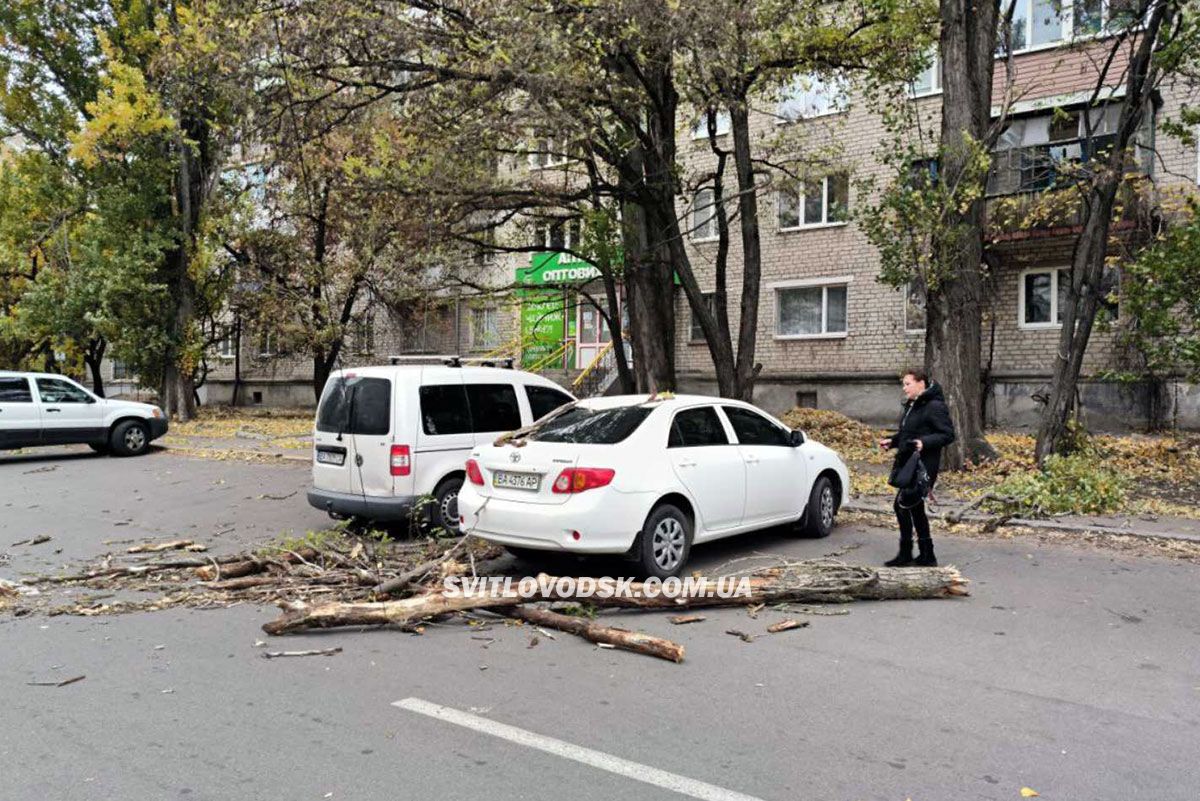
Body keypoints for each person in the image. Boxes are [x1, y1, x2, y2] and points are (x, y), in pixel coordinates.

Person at [877, 368, 956, 567]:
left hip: (922, 466)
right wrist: (893, 441)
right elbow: (908, 433)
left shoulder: (934, 406)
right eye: (904, 384)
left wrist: (924, 442)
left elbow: (947, 435)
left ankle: (909, 553)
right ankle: (925, 555)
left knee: (902, 505)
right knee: (913, 508)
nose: (904, 388)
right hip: (909, 463)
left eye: (907, 384)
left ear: (921, 383)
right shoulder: (914, 405)